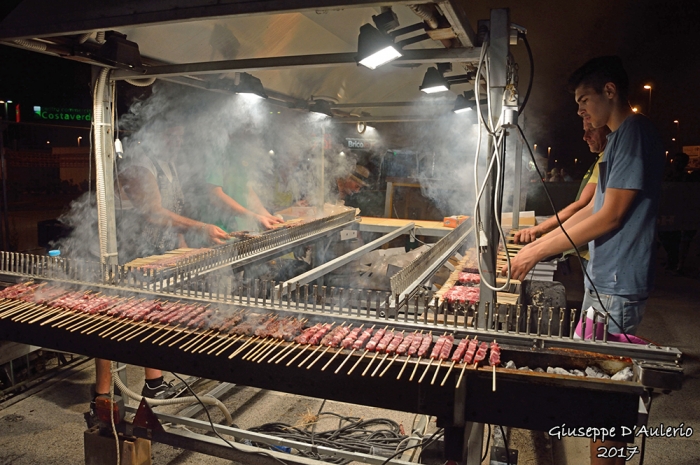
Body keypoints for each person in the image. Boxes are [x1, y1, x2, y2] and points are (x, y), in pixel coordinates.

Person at [503, 56, 664, 465]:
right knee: (593, 393)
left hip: (616, 284)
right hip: (606, 280)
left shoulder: (634, 133)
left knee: (605, 403)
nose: (580, 112)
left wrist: (538, 248)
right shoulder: (620, 139)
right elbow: (590, 211)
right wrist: (537, 242)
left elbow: (609, 215)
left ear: (610, 92)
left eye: (583, 100)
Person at [88, 125, 230, 425]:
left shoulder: (168, 164)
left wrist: (183, 248)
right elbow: (153, 212)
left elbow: (171, 213)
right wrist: (200, 227)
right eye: (171, 134)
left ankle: (154, 382)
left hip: (155, 251)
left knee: (151, 313)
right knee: (112, 318)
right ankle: (102, 395)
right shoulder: (139, 164)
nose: (177, 140)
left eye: (179, 134)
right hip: (123, 250)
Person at [515, 122, 611, 273]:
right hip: (591, 250)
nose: (585, 137)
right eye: (585, 130)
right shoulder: (602, 158)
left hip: (599, 253)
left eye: (591, 130)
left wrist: (538, 243)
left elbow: (583, 206)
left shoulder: (608, 158)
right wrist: (537, 244)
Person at [205, 131, 284, 231]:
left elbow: (247, 190)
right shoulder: (216, 153)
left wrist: (267, 216)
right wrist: (253, 217)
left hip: (243, 229)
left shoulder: (238, 154)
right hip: (221, 230)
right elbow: (215, 195)